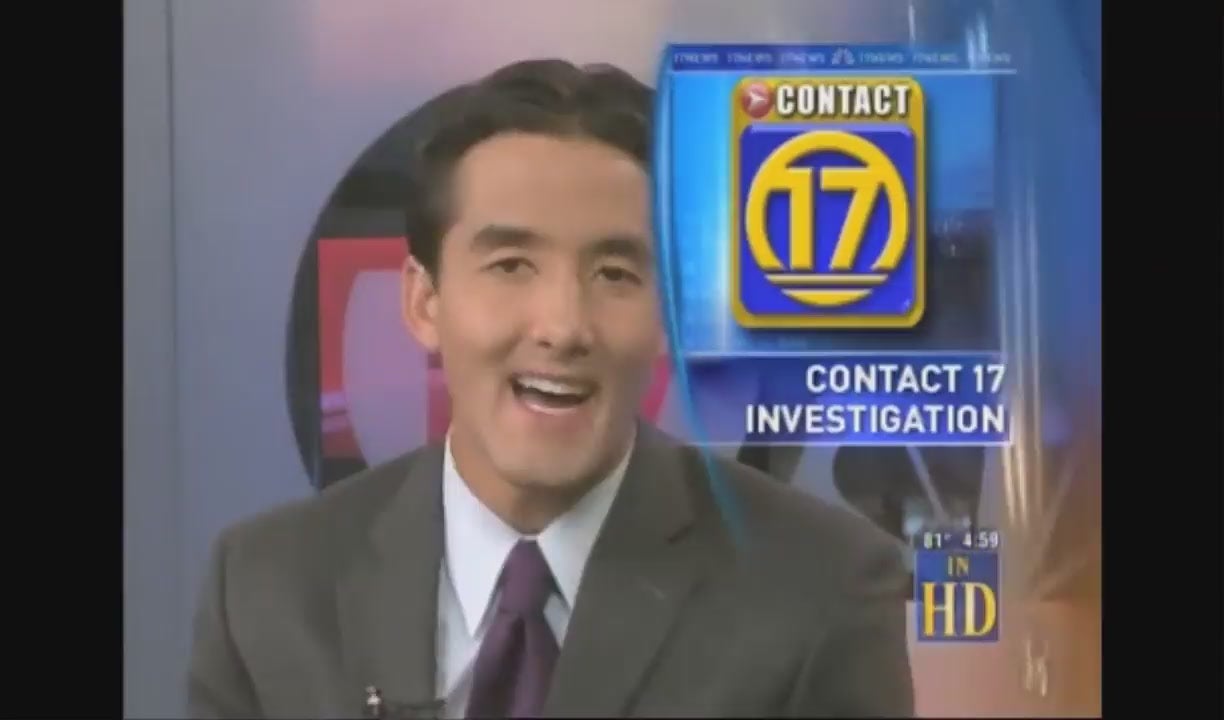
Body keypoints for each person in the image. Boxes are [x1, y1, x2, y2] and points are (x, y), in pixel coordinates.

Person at [187, 59, 915, 719]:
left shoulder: (821, 590)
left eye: (615, 274)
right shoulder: (266, 592)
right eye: (510, 266)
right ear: (424, 302)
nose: (564, 327)